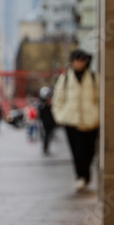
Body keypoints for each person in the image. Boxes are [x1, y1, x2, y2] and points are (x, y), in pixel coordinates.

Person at [52, 49, 99, 192]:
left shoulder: (93, 77)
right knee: (77, 151)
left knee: (89, 151)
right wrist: (60, 116)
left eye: (81, 61)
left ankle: (86, 175)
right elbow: (58, 99)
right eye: (76, 61)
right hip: (71, 120)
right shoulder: (65, 78)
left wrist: (97, 115)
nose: (79, 64)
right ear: (72, 62)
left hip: (91, 120)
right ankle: (81, 177)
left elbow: (100, 98)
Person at [38, 86, 56, 155]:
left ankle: (46, 147)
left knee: (48, 135)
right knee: (45, 136)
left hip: (50, 123)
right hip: (44, 123)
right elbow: (41, 115)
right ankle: (45, 147)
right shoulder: (42, 106)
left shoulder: (51, 105)